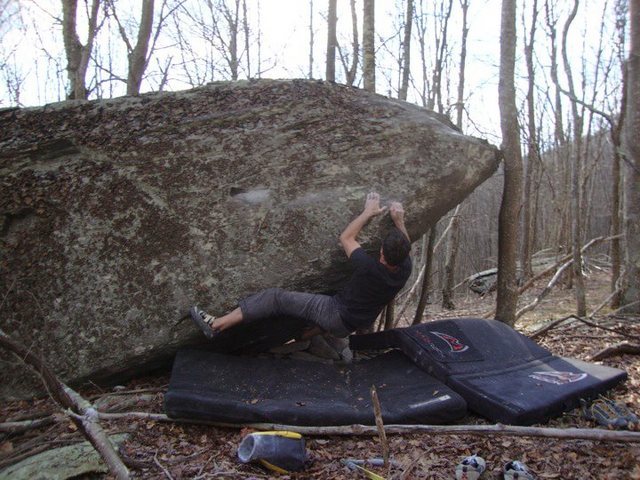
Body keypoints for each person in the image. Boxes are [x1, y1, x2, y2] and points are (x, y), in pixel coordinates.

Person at [190, 192, 412, 340]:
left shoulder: (368, 267)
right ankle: (310, 333)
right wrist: (399, 221)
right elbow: (405, 246)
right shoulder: (404, 269)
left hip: (334, 313)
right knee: (337, 293)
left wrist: (368, 212)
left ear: (381, 255)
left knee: (274, 298)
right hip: (351, 324)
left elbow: (346, 237)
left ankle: (216, 325)